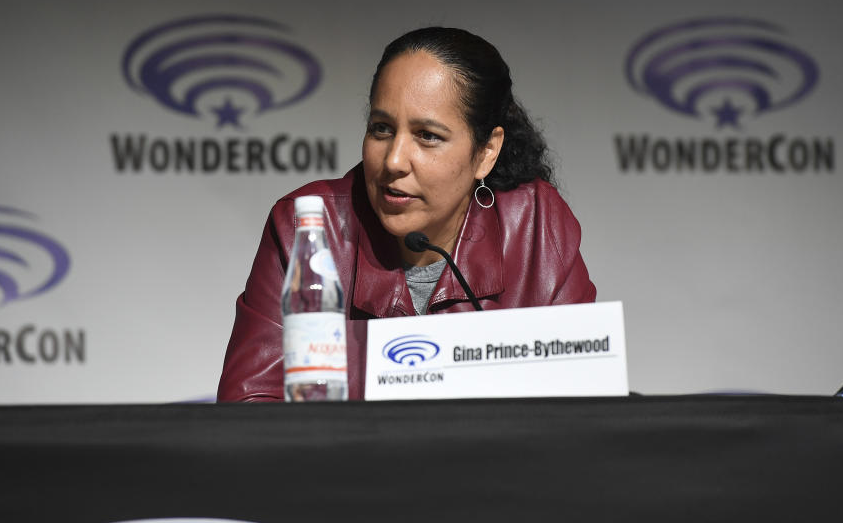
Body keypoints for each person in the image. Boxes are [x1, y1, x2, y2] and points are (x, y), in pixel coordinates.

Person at [218, 27, 596, 401]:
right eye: (381, 129)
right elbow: (249, 409)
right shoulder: (310, 227)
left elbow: (582, 403)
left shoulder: (536, 225)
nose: (393, 161)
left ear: (486, 152)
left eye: (427, 135)